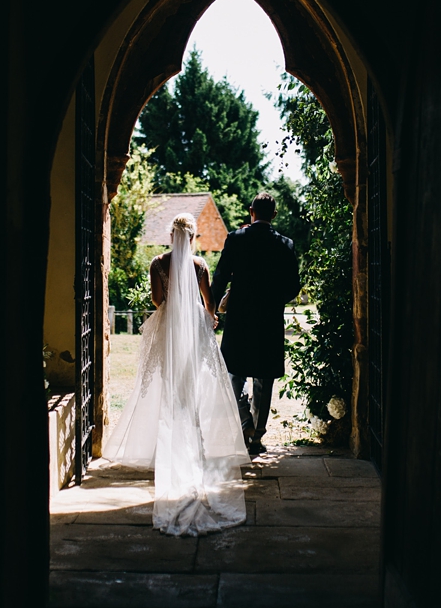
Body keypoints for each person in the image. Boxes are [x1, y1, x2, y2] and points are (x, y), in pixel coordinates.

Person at [102, 213, 250, 536]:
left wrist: (172, 306)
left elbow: (157, 299)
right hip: (194, 331)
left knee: (172, 396)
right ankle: (195, 459)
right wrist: (209, 320)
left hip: (169, 330)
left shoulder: (157, 263)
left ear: (171, 235)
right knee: (193, 393)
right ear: (193, 237)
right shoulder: (199, 266)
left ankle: (175, 459)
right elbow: (209, 301)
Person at [211, 192, 301, 455]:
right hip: (269, 319)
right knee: (264, 378)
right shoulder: (285, 244)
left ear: (251, 211)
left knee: (233, 374)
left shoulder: (236, 239)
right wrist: (275, 301)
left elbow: (220, 276)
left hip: (239, 317)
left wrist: (212, 308)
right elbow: (293, 286)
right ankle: (257, 437)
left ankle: (245, 422)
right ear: (273, 215)